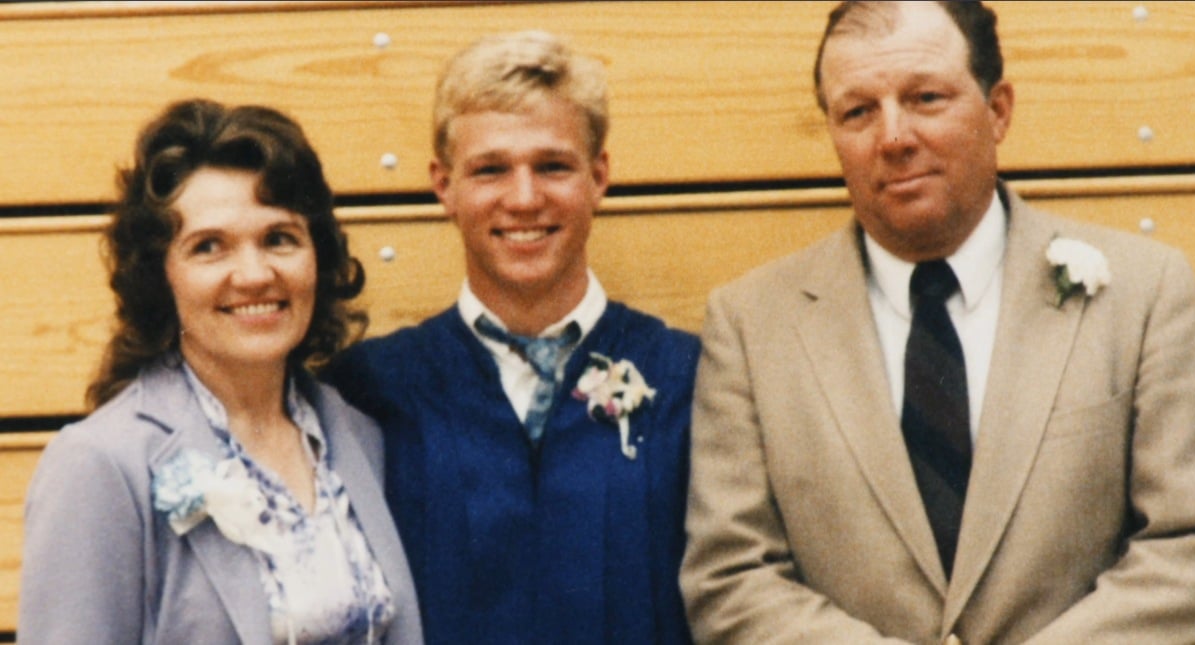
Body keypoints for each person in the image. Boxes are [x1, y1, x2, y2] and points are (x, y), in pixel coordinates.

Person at [680, 1, 1195, 643]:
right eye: (858, 111)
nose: (893, 137)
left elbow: (1186, 550)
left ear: (999, 109)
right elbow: (731, 578)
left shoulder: (1145, 294)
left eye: (925, 97)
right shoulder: (751, 326)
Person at [323, 30, 698, 645]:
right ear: (443, 185)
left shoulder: (690, 380)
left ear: (599, 176)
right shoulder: (370, 390)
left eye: (553, 166)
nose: (524, 198)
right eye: (490, 170)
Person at [19, 98, 424, 644]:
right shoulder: (102, 466)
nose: (255, 274)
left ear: (317, 257)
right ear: (161, 278)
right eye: (210, 247)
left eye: (279, 238)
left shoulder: (359, 437)